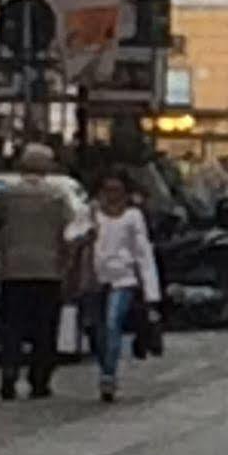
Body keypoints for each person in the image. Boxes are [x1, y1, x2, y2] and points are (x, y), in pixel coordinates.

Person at [0, 142, 72, 401]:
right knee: (44, 329)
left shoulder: (7, 195)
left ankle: (9, 375)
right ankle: (39, 380)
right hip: (48, 270)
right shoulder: (57, 197)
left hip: (13, 270)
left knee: (12, 327)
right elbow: (69, 231)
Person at [84, 170, 161, 402]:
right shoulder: (90, 214)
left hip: (123, 278)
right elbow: (71, 235)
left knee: (112, 324)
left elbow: (143, 253)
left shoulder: (133, 217)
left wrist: (151, 292)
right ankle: (104, 363)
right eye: (107, 191)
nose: (112, 196)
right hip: (95, 279)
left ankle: (108, 374)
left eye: (117, 191)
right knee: (95, 330)